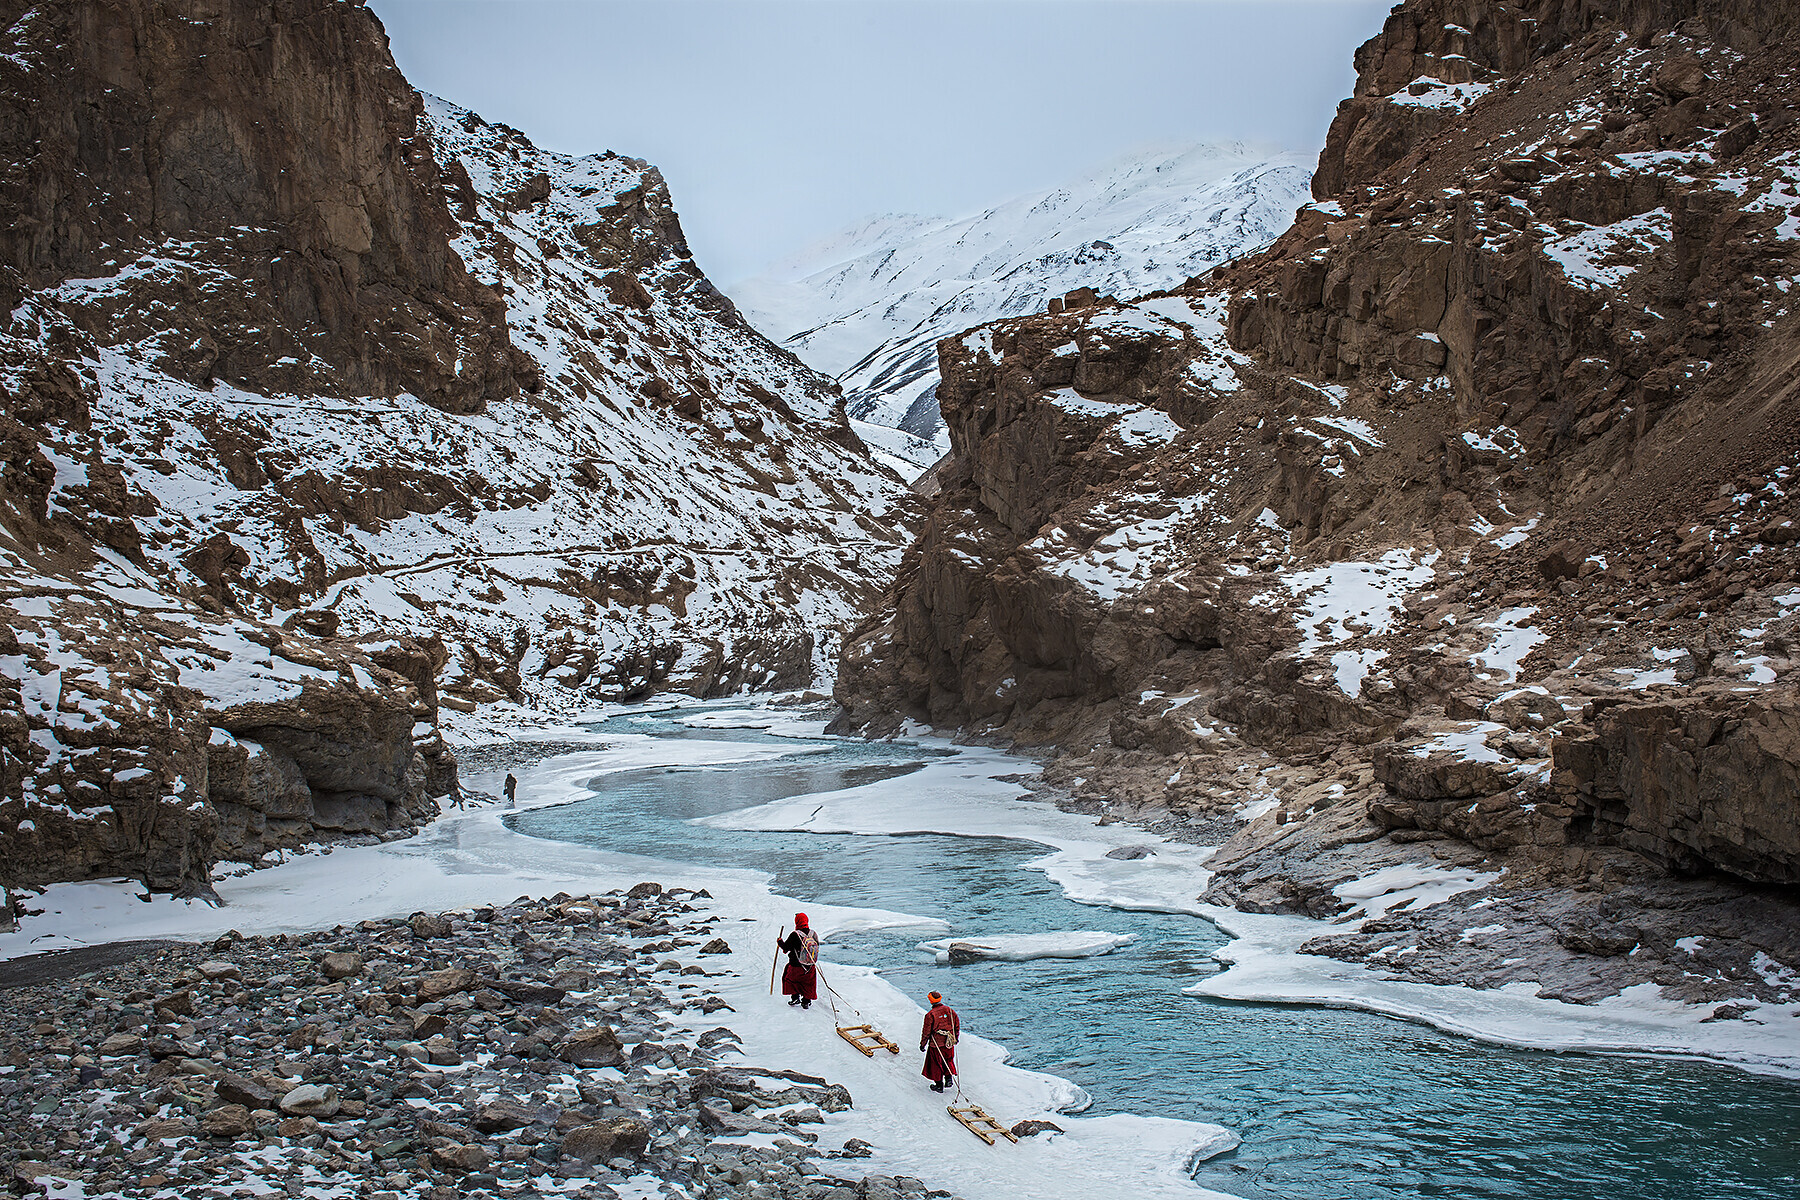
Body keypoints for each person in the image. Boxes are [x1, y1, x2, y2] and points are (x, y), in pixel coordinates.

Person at [776, 912, 819, 1008]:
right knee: (808, 983)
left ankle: (795, 998)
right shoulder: (813, 934)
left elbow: (786, 948)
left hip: (796, 965)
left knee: (791, 980)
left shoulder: (795, 934)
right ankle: (806, 1001)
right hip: (810, 966)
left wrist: (780, 942)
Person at [920, 990, 959, 1092]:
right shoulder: (950, 1010)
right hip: (948, 1042)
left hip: (936, 1044)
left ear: (931, 1001)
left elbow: (926, 1032)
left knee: (936, 1063)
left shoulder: (930, 1015)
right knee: (948, 1059)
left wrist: (922, 1044)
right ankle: (949, 1079)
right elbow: (956, 1025)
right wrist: (955, 1038)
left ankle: (939, 1086)